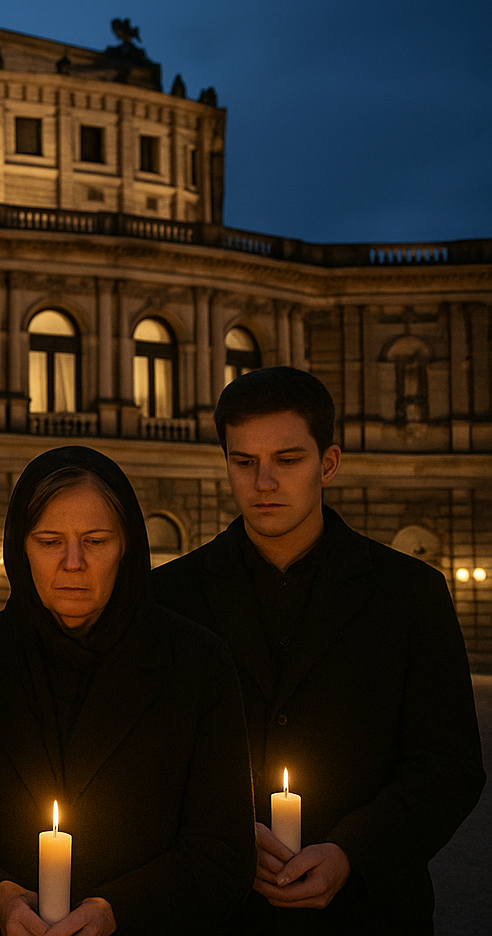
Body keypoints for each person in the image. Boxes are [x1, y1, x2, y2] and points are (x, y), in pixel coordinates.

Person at [153, 367, 484, 935]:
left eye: (287, 460)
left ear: (327, 463)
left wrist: (352, 851)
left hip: (370, 912)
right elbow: (148, 757)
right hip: (217, 910)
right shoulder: (168, 597)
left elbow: (449, 765)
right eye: (243, 462)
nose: (263, 483)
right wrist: (222, 831)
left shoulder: (409, 593)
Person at [0, 446, 255, 936]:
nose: (73, 563)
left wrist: (119, 911)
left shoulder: (196, 663)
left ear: (127, 547)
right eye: (49, 541)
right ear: (19, 548)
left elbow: (223, 850)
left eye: (95, 540)